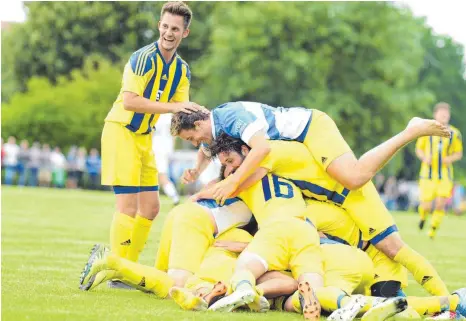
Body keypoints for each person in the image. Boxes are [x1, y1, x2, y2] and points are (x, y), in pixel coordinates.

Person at [203, 131, 452, 299]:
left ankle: (448, 301)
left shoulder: (267, 155)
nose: (236, 170)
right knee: (384, 301)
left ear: (248, 150)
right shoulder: (275, 169)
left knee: (395, 249)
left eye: (234, 162)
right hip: (344, 214)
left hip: (352, 196)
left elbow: (294, 235)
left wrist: (243, 245)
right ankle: (443, 303)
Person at [100, 0, 207, 290]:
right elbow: (130, 101)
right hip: (121, 131)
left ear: (185, 32)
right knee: (128, 205)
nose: (168, 33)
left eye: (175, 28)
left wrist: (208, 126)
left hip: (144, 137)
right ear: (159, 25)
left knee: (150, 208)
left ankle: (128, 271)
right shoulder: (142, 58)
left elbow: (181, 111)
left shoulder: (182, 71)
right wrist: (174, 108)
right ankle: (118, 272)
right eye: (165, 26)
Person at [416, 102, 463, 239]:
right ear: (435, 114)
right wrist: (425, 158)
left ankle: (432, 229)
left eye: (446, 113)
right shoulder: (426, 131)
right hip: (427, 175)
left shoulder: (455, 133)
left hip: (445, 175)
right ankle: (423, 217)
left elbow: (458, 153)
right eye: (441, 113)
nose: (444, 115)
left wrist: (449, 159)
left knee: (440, 204)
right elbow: (418, 149)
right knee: (426, 205)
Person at [152, 113, 180, 205]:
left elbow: (151, 132)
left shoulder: (155, 115)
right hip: (167, 148)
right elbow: (174, 134)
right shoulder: (170, 116)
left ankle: (174, 196)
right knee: (156, 175)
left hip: (157, 147)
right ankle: (152, 199)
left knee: (161, 175)